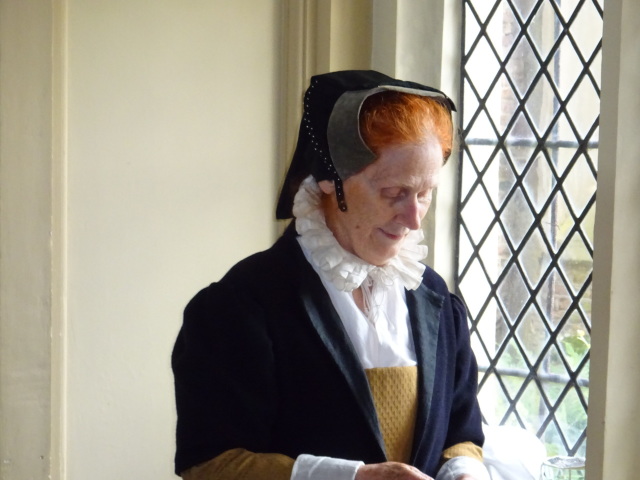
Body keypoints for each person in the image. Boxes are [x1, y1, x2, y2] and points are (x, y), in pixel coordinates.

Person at [172, 70, 490, 480]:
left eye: (425, 193)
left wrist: (464, 472)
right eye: (394, 193)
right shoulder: (240, 307)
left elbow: (461, 435)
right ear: (329, 179)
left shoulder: (433, 298)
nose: (414, 218)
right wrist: (352, 478)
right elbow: (211, 464)